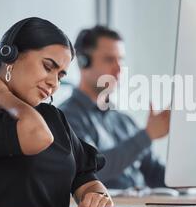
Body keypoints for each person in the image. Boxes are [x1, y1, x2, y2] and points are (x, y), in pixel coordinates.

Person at [0, 17, 113, 207]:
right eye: (48, 66)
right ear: (10, 56)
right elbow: (37, 136)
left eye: (60, 75)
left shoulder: (52, 117)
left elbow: (85, 177)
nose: (54, 83)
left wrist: (94, 195)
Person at [60, 26, 170, 189]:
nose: (119, 69)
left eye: (121, 59)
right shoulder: (66, 117)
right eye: (110, 59)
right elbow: (92, 169)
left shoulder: (123, 120)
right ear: (84, 62)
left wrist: (189, 181)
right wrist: (147, 135)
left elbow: (155, 173)